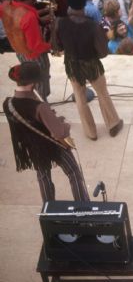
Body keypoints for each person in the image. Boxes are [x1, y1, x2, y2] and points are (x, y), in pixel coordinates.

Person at [3, 62, 90, 202]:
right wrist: (64, 124)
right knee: (73, 173)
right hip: (52, 146)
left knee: (43, 178)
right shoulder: (40, 107)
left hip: (33, 148)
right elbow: (59, 133)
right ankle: (84, 208)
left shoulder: (8, 103)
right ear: (32, 84)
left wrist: (47, 117)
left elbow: (25, 124)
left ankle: (49, 210)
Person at [56, 0, 124, 141]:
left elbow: (57, 46)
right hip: (91, 64)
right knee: (102, 93)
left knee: (79, 97)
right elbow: (103, 53)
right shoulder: (93, 26)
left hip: (72, 64)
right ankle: (113, 124)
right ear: (84, 0)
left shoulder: (60, 22)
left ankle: (90, 132)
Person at [0, 0, 52, 101]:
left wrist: (40, 17)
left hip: (19, 50)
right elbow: (36, 46)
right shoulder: (28, 17)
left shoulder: (5, 6)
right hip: (35, 57)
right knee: (40, 84)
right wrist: (52, 44)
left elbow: (17, 19)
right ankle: (42, 110)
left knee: (29, 80)